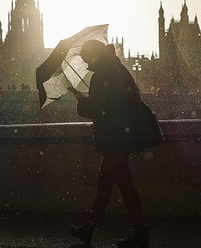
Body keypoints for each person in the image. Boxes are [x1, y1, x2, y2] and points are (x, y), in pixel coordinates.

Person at [68, 39, 149, 247]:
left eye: (87, 59)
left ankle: (140, 232)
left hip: (114, 138)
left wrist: (80, 100)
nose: (86, 64)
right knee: (104, 184)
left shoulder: (103, 74)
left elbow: (98, 109)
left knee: (124, 186)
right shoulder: (116, 68)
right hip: (122, 135)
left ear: (94, 56)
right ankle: (89, 227)